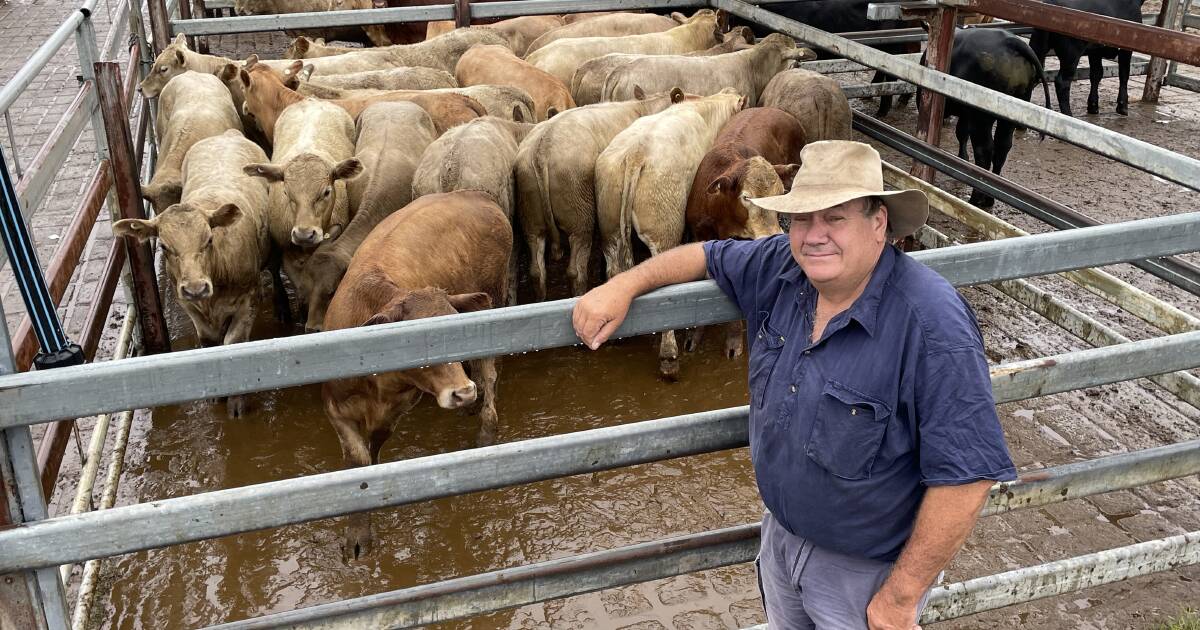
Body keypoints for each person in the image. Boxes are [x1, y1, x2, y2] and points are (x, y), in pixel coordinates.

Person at [572, 141, 1015, 629]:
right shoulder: (783, 269)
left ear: (879, 222)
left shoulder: (932, 325)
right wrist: (623, 285)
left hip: (863, 574)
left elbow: (967, 477)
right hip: (781, 542)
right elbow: (707, 254)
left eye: (836, 217)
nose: (814, 235)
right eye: (802, 218)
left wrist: (900, 597)